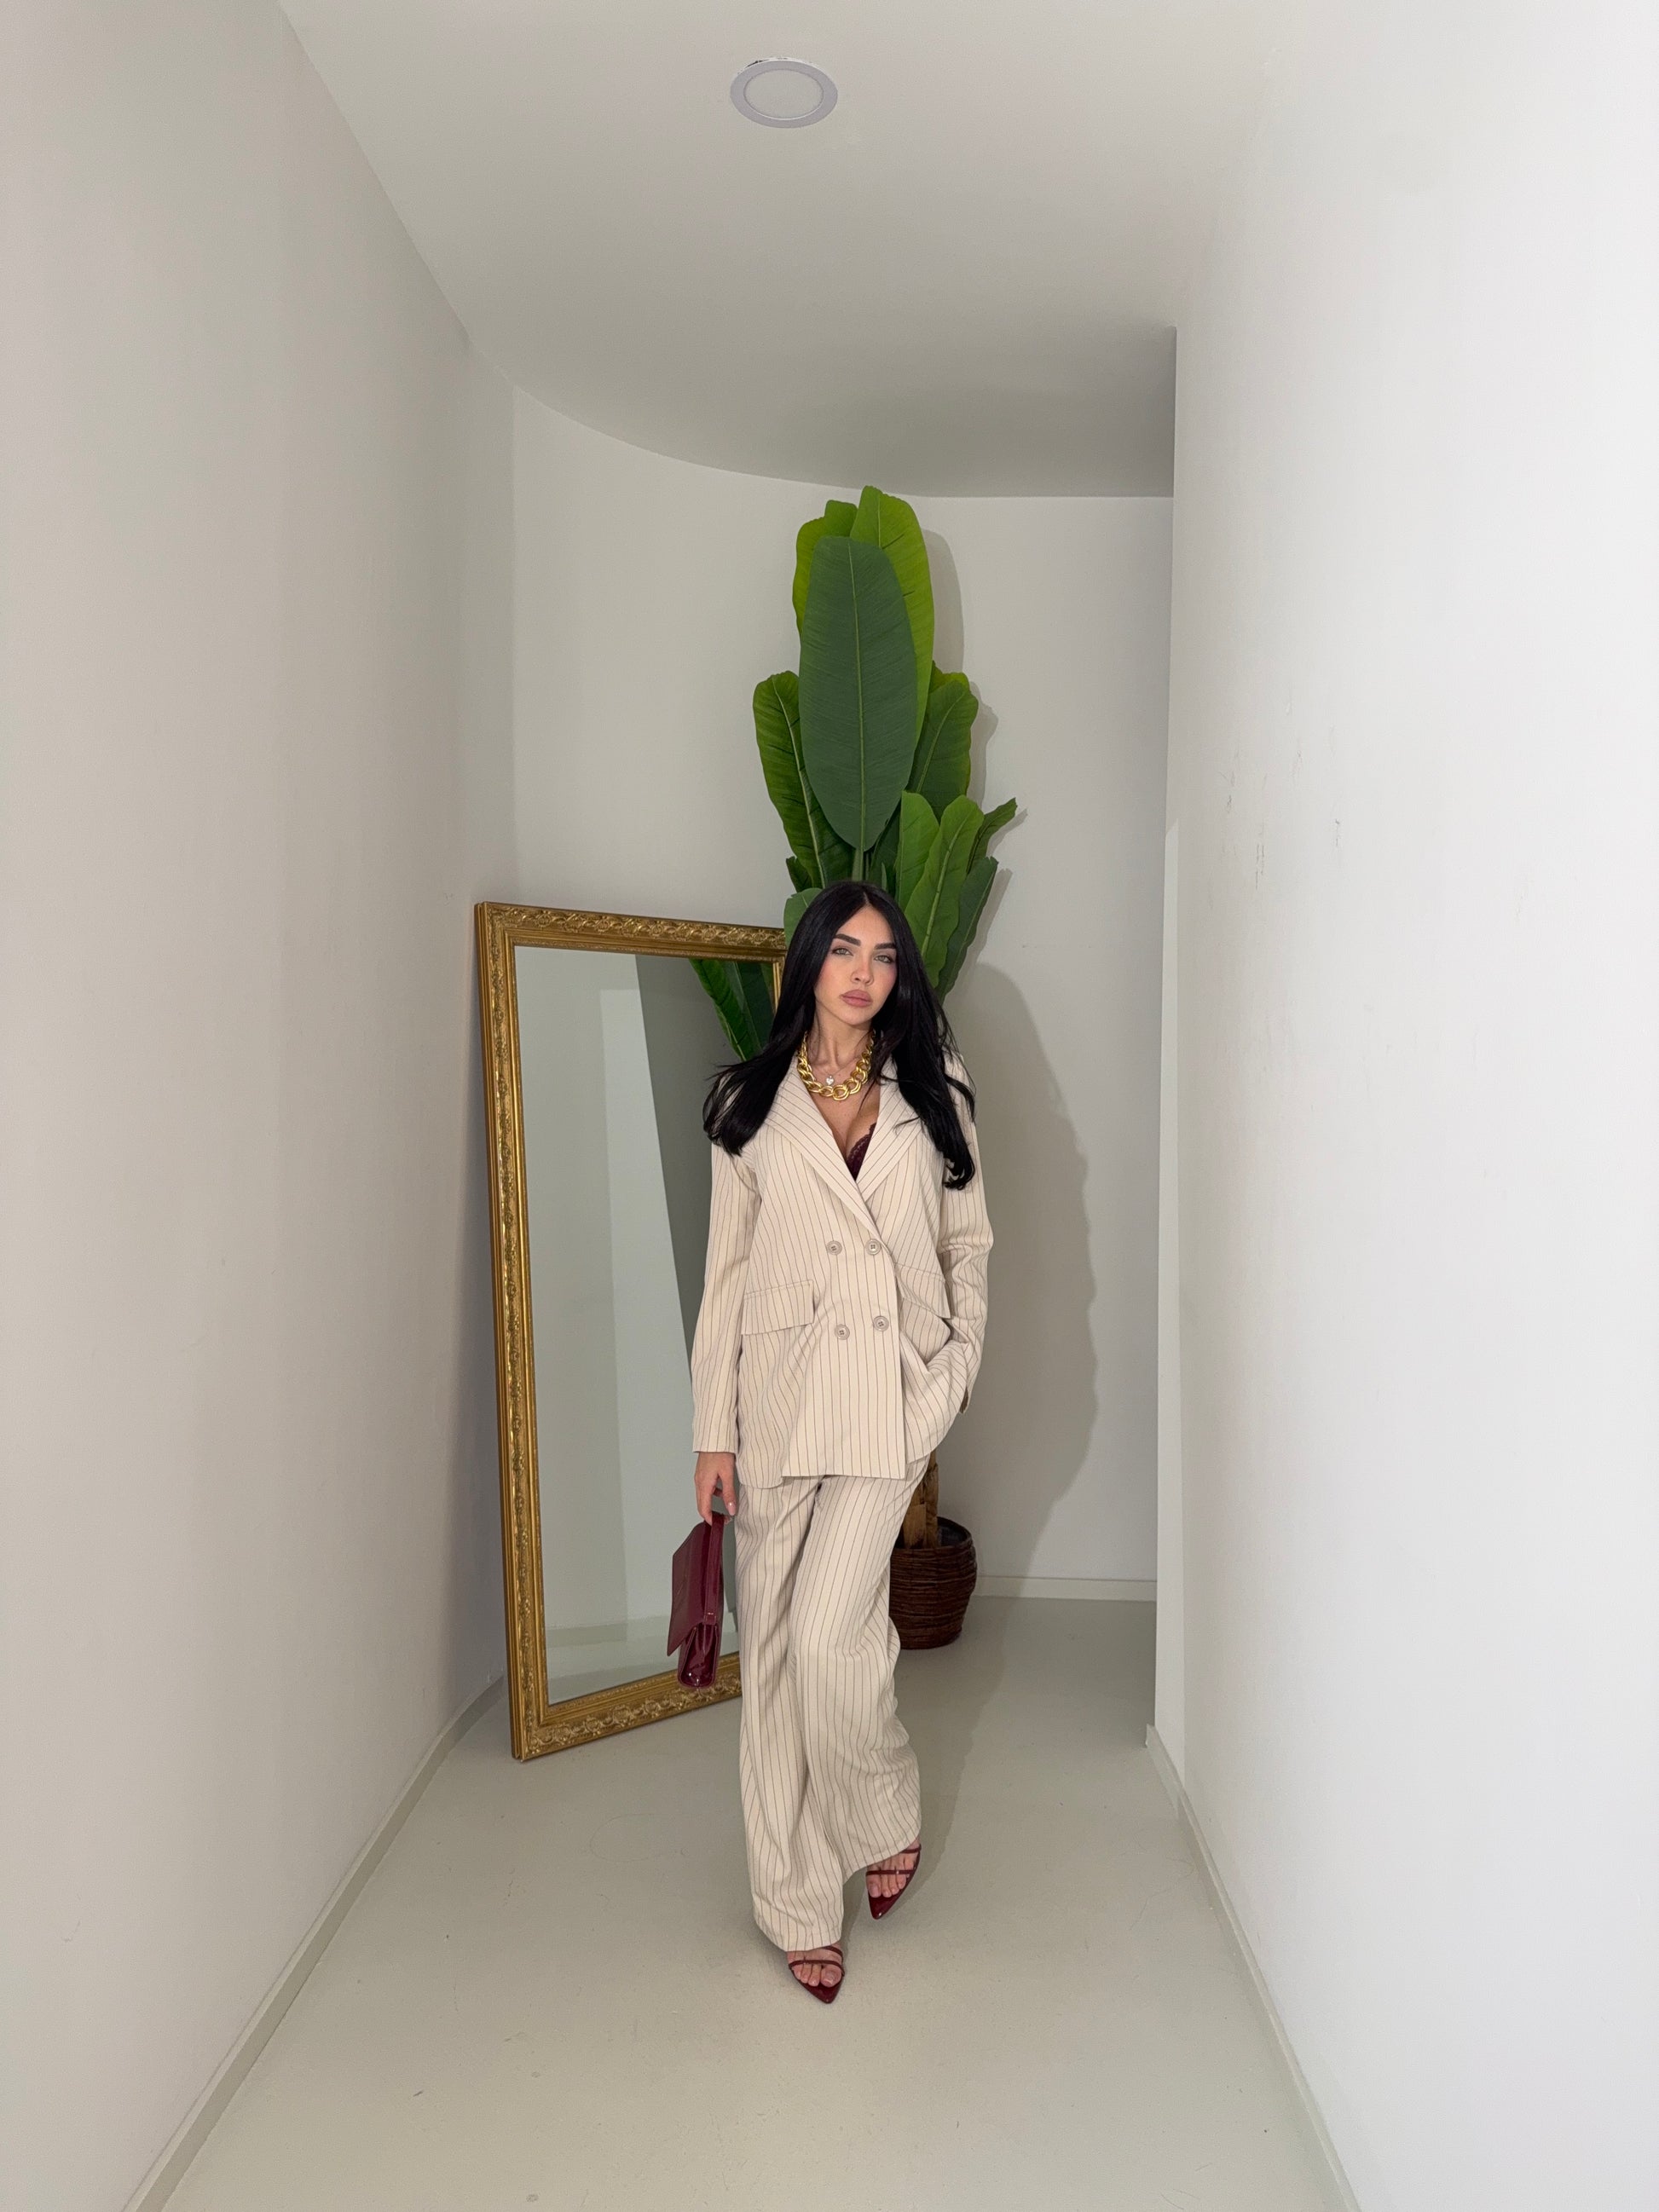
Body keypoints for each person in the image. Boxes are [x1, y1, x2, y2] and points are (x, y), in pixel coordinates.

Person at [691, 881, 992, 2002]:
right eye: (845, 951)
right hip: (776, 1402)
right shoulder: (746, 1101)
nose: (865, 973)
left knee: (828, 1640)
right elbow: (725, 1276)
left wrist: (950, 1371)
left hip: (889, 1395)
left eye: (885, 955)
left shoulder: (933, 1087)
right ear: (810, 961)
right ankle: (796, 1903)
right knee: (772, 1661)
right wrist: (711, 1432)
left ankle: (881, 1807)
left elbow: (969, 1244)